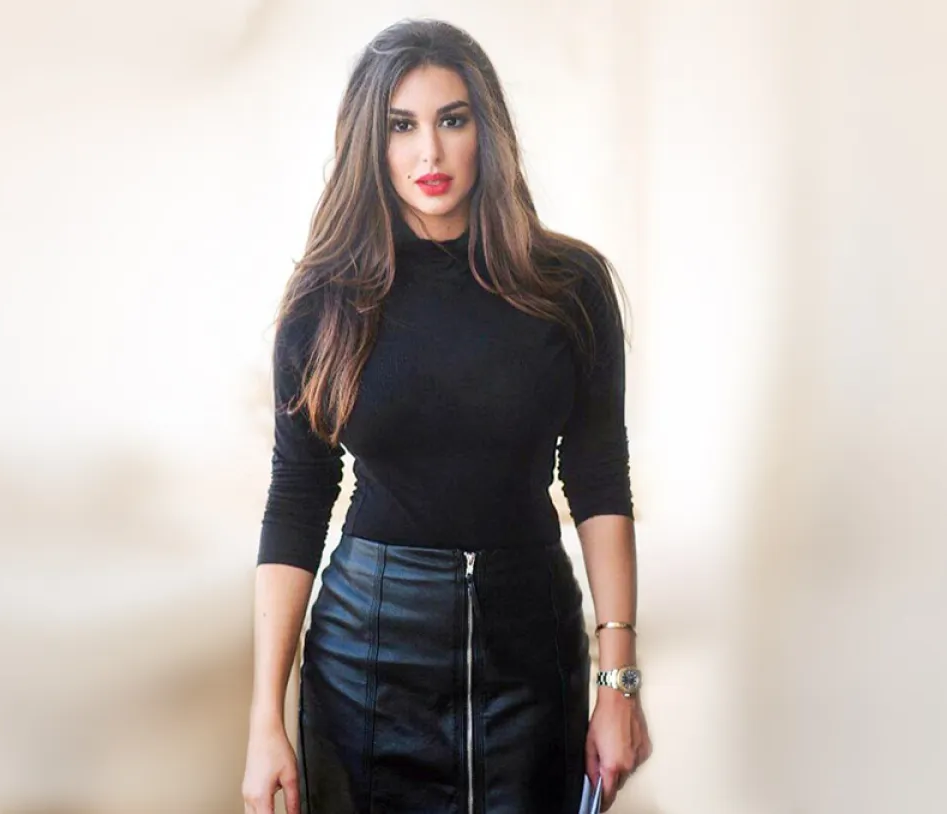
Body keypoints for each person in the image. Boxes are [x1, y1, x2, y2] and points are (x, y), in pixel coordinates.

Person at [242, 18, 651, 814]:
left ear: (485, 128)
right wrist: (266, 717)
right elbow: (296, 498)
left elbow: (600, 476)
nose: (428, 152)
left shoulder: (569, 286)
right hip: (366, 666)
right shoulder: (326, 301)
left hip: (531, 656)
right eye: (401, 126)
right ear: (371, 142)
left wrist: (618, 683)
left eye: (451, 120)